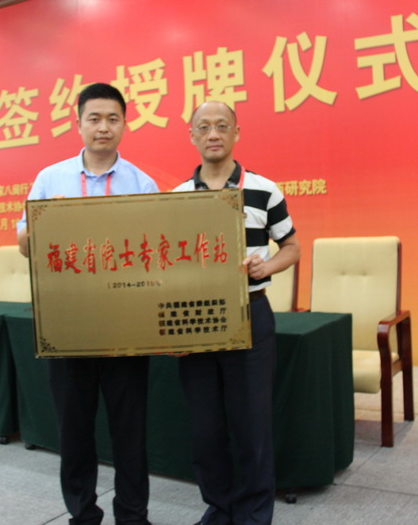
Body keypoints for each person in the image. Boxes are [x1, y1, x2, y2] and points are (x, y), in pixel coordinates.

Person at [17, 82, 157, 525]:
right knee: (74, 429)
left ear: (124, 124)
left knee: (129, 431)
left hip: (126, 324)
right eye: (94, 118)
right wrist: (48, 223)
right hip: (68, 324)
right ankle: (82, 514)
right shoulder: (50, 179)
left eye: (112, 118)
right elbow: (25, 244)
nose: (103, 127)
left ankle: (133, 516)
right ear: (78, 124)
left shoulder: (142, 183)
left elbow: (156, 250)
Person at [173, 100, 300, 525]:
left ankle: (253, 514)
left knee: (252, 426)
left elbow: (292, 247)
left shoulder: (264, 189)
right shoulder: (176, 198)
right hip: (195, 321)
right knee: (205, 428)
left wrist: (268, 266)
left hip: (251, 314)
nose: (213, 134)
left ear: (236, 133)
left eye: (222, 126)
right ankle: (220, 508)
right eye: (204, 127)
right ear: (192, 135)